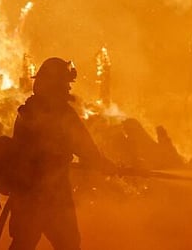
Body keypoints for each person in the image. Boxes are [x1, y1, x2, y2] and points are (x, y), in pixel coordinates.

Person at [8, 57, 115, 250]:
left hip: (25, 196)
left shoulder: (28, 111)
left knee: (22, 244)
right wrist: (105, 165)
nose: (68, 88)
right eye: (65, 83)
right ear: (54, 84)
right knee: (68, 245)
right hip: (53, 196)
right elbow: (85, 148)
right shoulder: (62, 114)